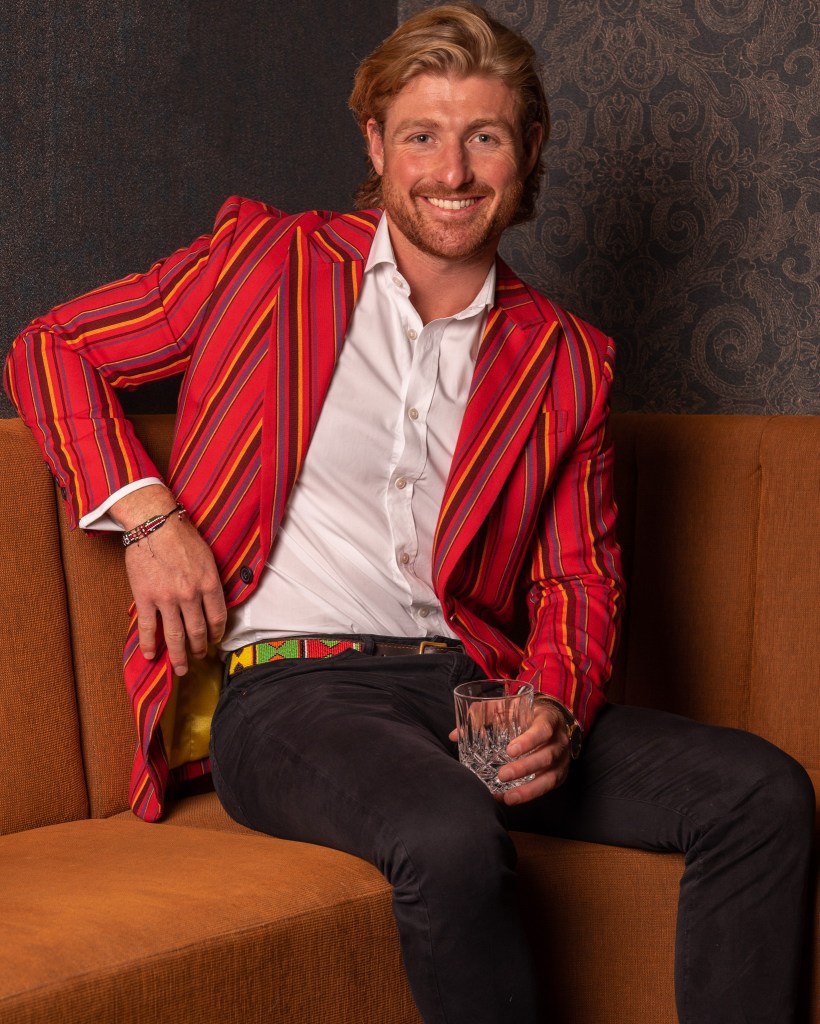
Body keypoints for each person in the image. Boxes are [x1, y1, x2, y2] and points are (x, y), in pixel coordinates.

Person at [5, 5, 813, 1023]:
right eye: (422, 135)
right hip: (294, 695)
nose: (453, 171)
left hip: (473, 692)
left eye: (485, 136)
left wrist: (554, 703)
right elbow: (52, 349)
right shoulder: (267, 262)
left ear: (528, 150)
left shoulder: (565, 359)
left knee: (760, 793)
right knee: (447, 834)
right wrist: (151, 521)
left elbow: (578, 575)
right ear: (376, 144)